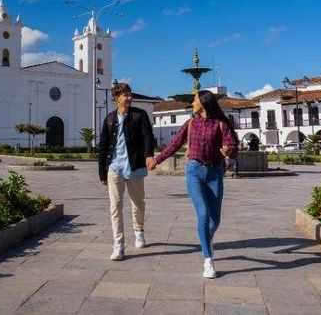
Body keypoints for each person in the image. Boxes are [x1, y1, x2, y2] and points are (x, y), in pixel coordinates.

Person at [147, 90, 237, 279]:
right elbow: (173, 145)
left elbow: (232, 144)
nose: (193, 103)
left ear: (203, 103)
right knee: (203, 213)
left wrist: (229, 150)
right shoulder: (190, 124)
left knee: (215, 219)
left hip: (214, 173)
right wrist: (157, 160)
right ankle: (208, 260)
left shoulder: (222, 124)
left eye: (195, 100)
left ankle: (206, 239)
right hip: (194, 171)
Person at [97, 82, 155, 261]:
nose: (129, 97)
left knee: (138, 203)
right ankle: (118, 245)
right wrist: (102, 172)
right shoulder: (109, 119)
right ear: (117, 98)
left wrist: (149, 155)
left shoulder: (140, 115)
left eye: (130, 94)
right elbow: (103, 146)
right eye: (125, 95)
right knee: (115, 207)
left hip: (135, 166)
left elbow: (148, 136)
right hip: (114, 168)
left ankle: (138, 231)